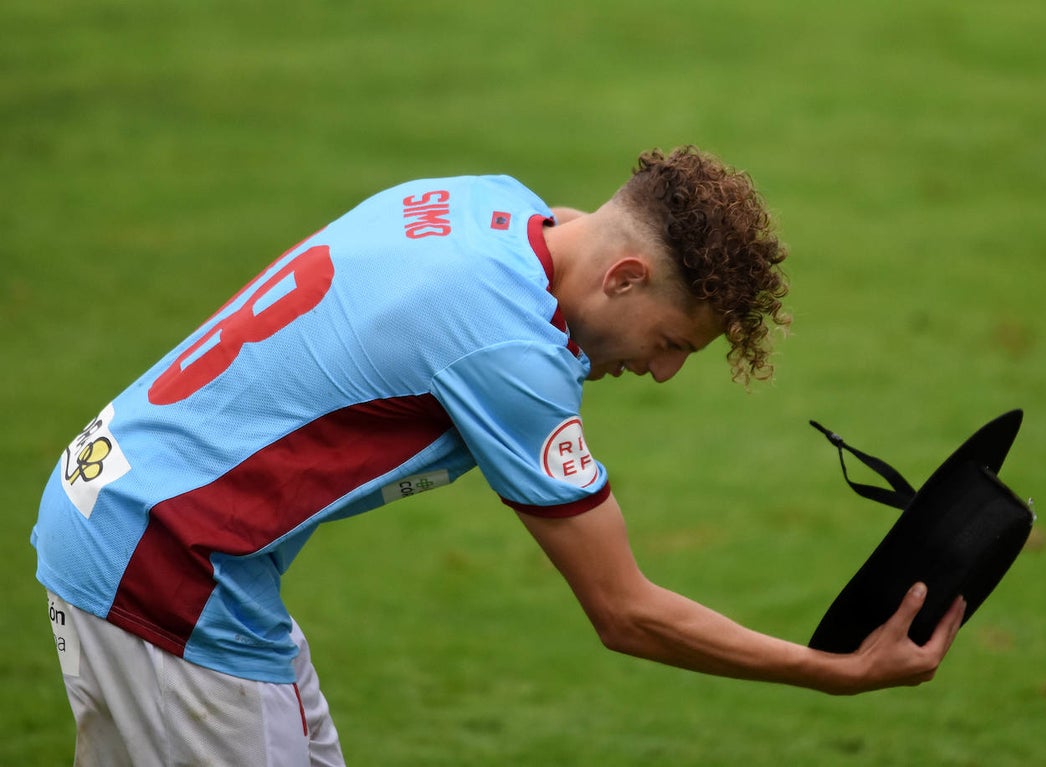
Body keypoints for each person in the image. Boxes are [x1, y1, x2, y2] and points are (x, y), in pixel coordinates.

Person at [33, 146, 965, 766]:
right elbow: (625, 611)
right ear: (628, 275)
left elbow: (559, 238)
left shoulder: (487, 203)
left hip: (115, 506)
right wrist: (832, 670)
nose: (668, 369)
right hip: (166, 571)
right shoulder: (509, 354)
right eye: (675, 337)